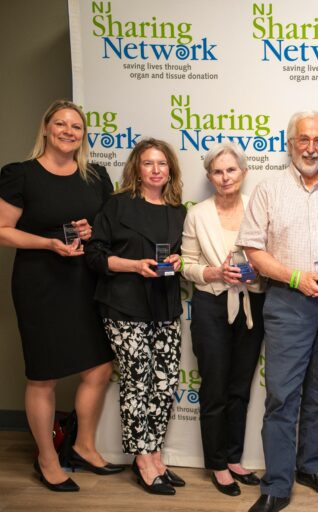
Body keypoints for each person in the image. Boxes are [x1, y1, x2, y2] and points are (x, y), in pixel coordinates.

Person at [237, 111, 318, 512]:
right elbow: (253, 250)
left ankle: (311, 466)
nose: (311, 147)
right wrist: (294, 278)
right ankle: (277, 482)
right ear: (290, 143)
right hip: (288, 303)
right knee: (282, 396)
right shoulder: (268, 189)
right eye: (303, 139)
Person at [0, 100, 122, 492]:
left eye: (76, 126)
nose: (69, 131)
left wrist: (91, 232)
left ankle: (84, 445)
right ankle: (48, 460)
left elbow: (109, 230)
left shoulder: (96, 175)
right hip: (41, 283)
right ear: (47, 128)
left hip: (85, 282)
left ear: (83, 135)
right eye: (61, 124)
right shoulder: (20, 174)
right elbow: (3, 230)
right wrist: (48, 243)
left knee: (100, 367)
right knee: (44, 376)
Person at [85, 138, 187, 496]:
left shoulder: (177, 210)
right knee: (137, 380)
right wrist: (133, 266)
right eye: (148, 163)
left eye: (162, 164)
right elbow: (95, 255)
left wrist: (177, 260)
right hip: (124, 306)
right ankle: (142, 459)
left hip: (164, 306)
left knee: (165, 383)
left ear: (170, 170)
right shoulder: (117, 206)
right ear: (136, 169)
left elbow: (178, 255)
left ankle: (156, 454)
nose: (156, 169)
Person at [181, 142, 265, 496]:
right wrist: (215, 272)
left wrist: (255, 273)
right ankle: (216, 464)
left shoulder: (256, 208)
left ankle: (233, 457)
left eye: (231, 170)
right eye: (217, 171)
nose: (225, 176)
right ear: (209, 176)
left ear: (244, 173)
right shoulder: (197, 214)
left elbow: (270, 256)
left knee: (239, 387)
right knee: (214, 387)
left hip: (251, 306)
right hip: (211, 306)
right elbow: (186, 265)